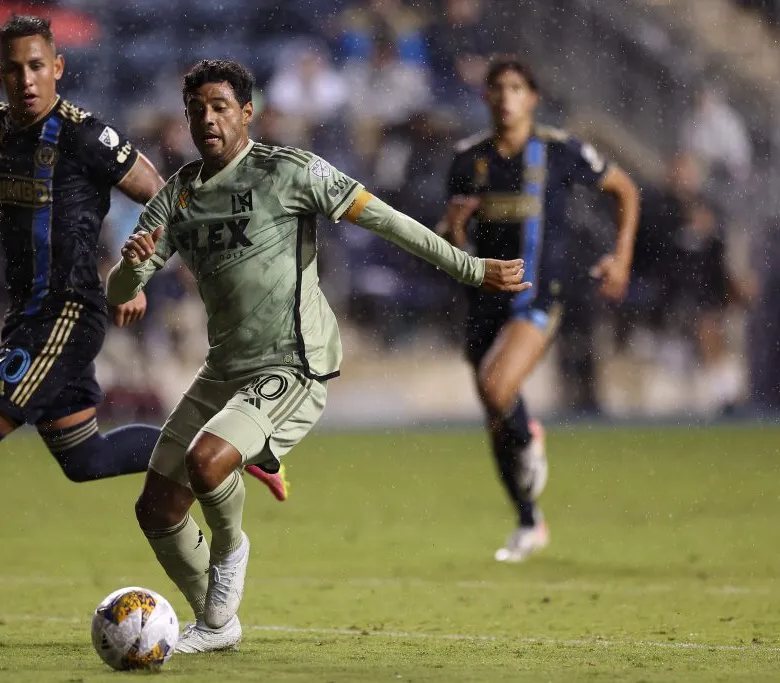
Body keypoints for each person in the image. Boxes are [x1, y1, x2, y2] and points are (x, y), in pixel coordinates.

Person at [0, 17, 284, 637]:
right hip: (28, 315)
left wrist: (136, 274)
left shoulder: (87, 135)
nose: (27, 79)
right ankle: (224, 446)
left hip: (67, 314)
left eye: (38, 66)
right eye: (14, 69)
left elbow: (162, 195)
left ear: (57, 68)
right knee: (85, 457)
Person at [106, 59, 529, 653]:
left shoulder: (290, 171)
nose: (208, 119)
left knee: (207, 464)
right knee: (156, 509)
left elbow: (386, 221)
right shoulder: (177, 195)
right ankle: (216, 624)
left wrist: (470, 267)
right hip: (223, 368)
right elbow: (120, 292)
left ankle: (230, 555)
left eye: (220, 107)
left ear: (247, 113)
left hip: (292, 363)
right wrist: (131, 270)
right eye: (196, 109)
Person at [438, 57, 640, 563]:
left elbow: (625, 189)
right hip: (483, 299)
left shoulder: (559, 150)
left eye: (516, 88)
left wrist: (621, 257)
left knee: (496, 388)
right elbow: (448, 243)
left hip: (538, 295)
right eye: (497, 87)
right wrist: (455, 229)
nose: (506, 97)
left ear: (532, 98)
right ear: (485, 97)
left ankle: (529, 433)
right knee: (495, 414)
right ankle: (529, 521)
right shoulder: (467, 159)